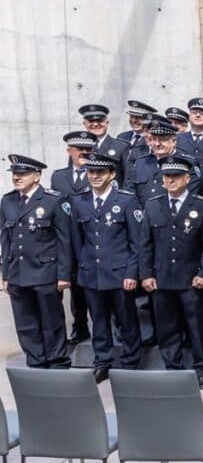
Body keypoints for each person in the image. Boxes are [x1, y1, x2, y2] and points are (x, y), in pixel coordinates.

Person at [138, 154, 203, 388]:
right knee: (167, 326)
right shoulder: (153, 205)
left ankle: (201, 368)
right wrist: (146, 274)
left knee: (197, 326)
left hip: (191, 278)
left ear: (187, 178)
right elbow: (145, 244)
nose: (170, 180)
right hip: (161, 278)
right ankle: (173, 367)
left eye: (175, 176)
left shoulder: (202, 205)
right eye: (167, 176)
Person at [69, 153, 144, 382]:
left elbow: (136, 242)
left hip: (120, 274)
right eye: (91, 172)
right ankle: (102, 361)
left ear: (111, 175)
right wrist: (81, 268)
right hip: (92, 274)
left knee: (127, 321)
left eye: (100, 173)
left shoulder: (126, 200)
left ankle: (131, 363)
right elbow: (77, 240)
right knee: (99, 322)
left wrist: (132, 272)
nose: (95, 177)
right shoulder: (79, 201)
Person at [1, 155, 72, 369]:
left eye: (22, 174)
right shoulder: (8, 200)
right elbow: (6, 240)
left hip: (45, 272)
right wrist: (5, 275)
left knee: (52, 321)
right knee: (25, 323)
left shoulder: (53, 200)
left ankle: (57, 361)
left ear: (37, 176)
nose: (17, 177)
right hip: (18, 273)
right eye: (15, 174)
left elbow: (64, 241)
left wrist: (64, 274)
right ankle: (36, 361)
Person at [50, 130, 96, 347]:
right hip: (66, 237)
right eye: (79, 149)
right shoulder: (59, 177)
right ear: (70, 151)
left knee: (93, 287)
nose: (84, 153)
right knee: (75, 286)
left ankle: (103, 328)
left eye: (88, 149)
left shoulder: (98, 173)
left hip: (90, 237)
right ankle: (80, 326)